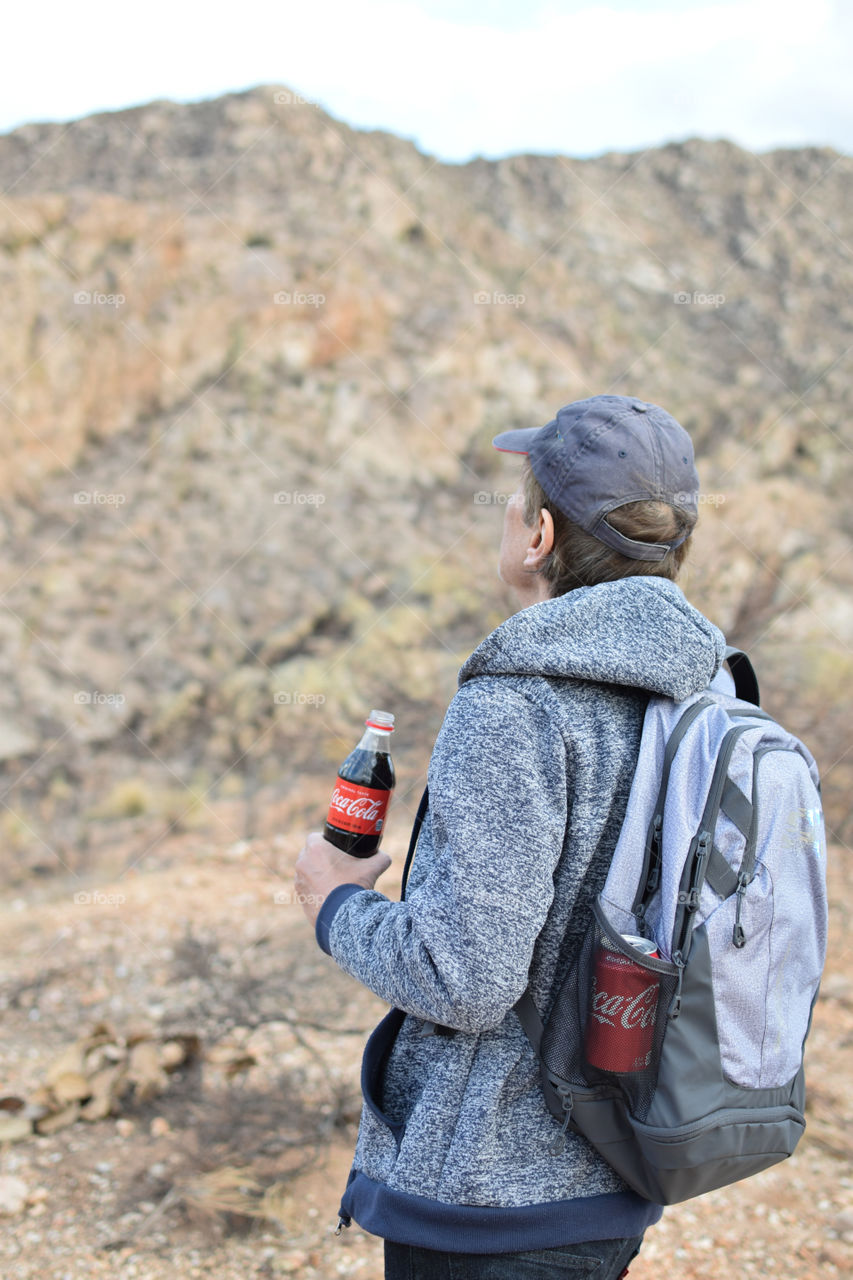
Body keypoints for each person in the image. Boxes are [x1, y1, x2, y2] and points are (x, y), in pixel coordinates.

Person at [295, 394, 727, 1280]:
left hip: (487, 1204)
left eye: (513, 502)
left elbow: (466, 979)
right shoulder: (706, 691)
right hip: (617, 1166)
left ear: (538, 538)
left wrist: (333, 903)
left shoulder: (514, 702)